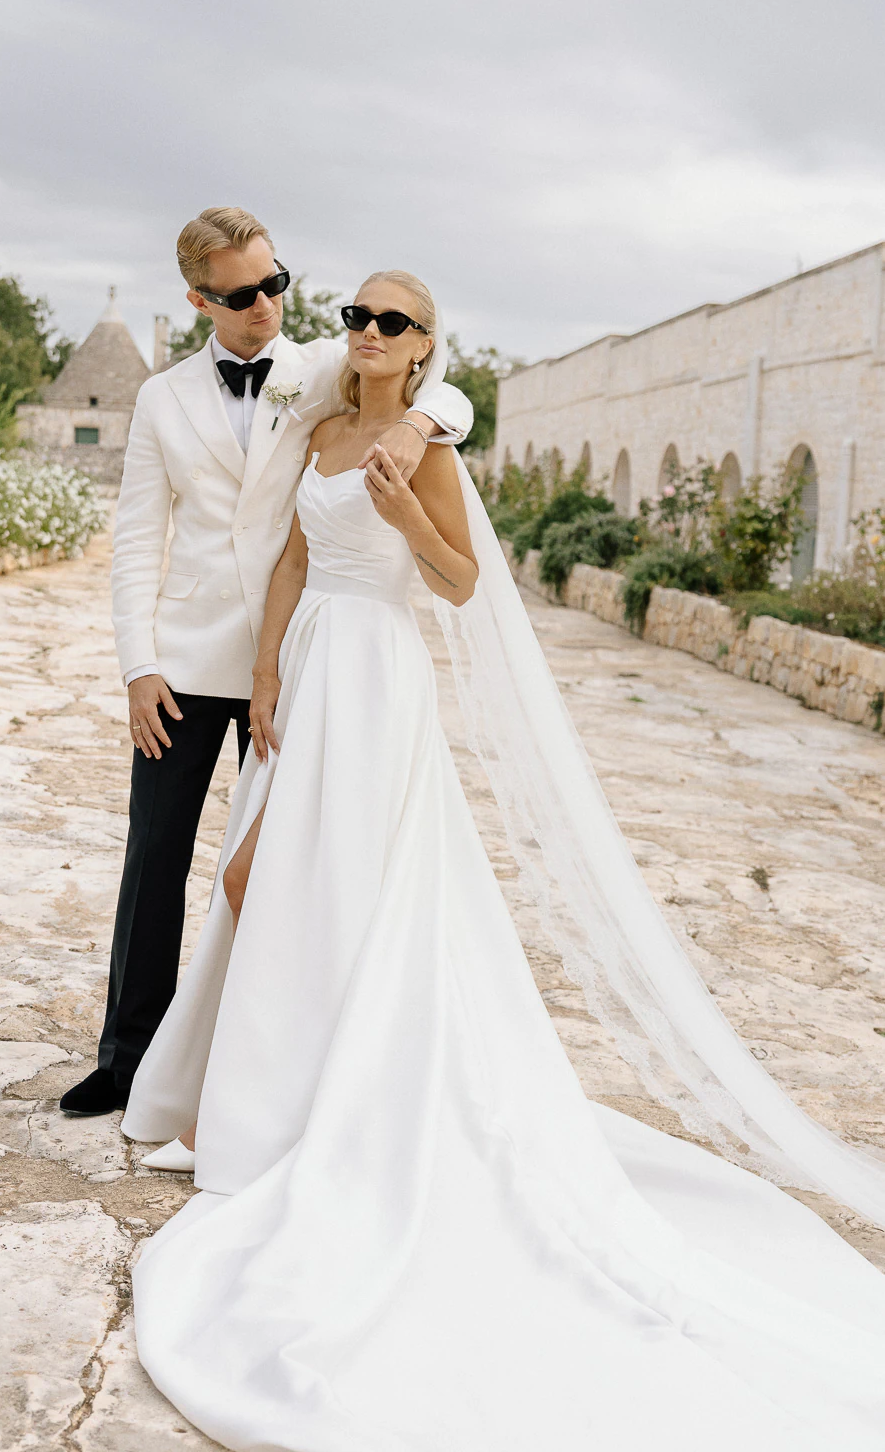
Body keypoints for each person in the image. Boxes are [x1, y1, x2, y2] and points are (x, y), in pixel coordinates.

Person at [122, 270, 885, 1451]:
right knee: (253, 878)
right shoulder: (322, 424)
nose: (367, 334)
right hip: (313, 664)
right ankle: (266, 1104)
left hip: (377, 676)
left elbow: (460, 580)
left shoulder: (429, 447)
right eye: (357, 319)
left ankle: (322, 1109)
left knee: (315, 886)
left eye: (392, 324)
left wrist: (404, 511)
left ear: (425, 349)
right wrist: (267, 671)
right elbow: (282, 561)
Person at [60, 211, 473, 1119]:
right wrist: (138, 666)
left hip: (302, 665)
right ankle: (129, 1060)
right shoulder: (161, 398)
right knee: (154, 858)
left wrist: (418, 429)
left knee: (294, 864)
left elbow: (439, 390)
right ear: (199, 299)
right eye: (242, 296)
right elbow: (136, 541)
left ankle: (265, 1062)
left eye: (276, 285)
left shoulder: (319, 368)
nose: (265, 308)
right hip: (189, 660)